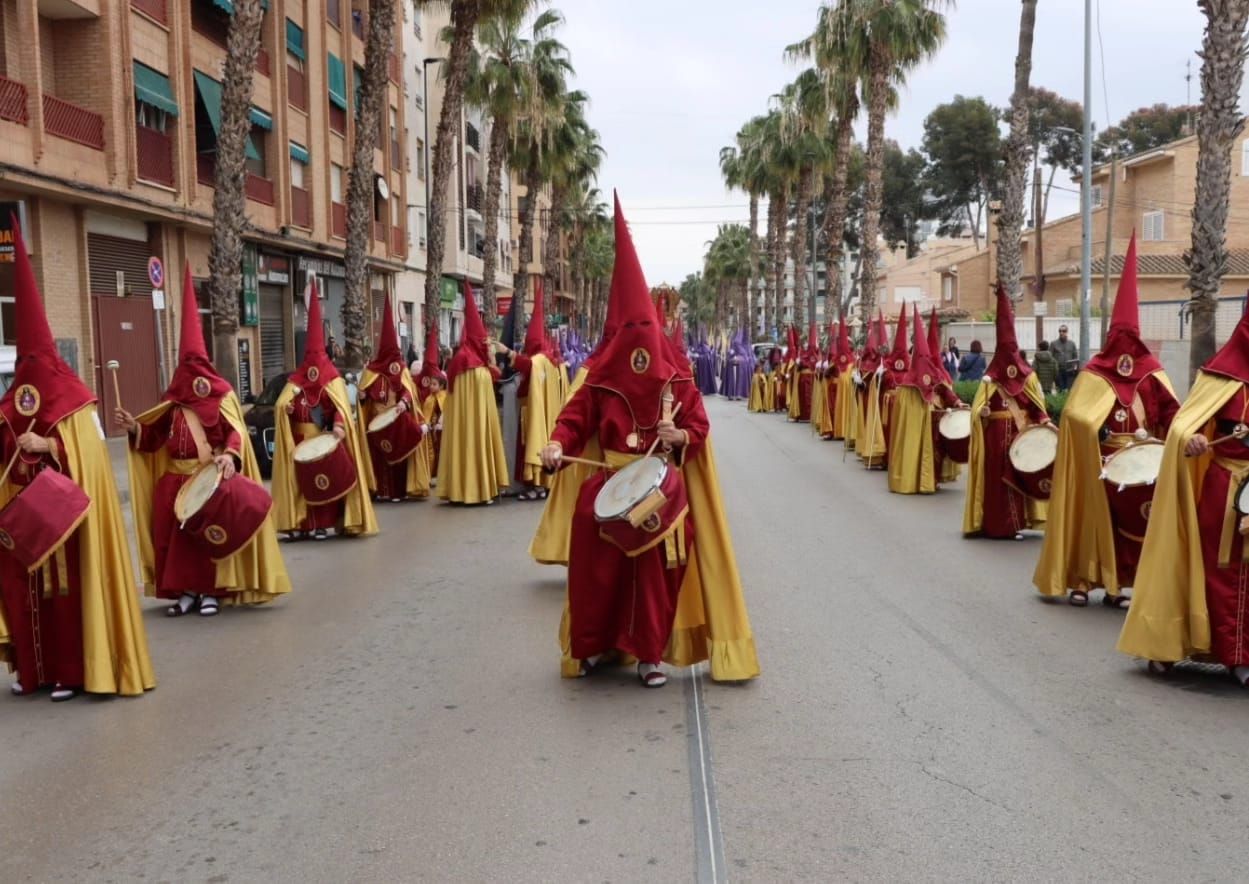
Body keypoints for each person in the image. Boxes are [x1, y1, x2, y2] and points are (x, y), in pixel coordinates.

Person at [540, 195, 759, 687]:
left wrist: (679, 434)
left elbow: (700, 426)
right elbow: (572, 421)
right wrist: (556, 444)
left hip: (660, 487)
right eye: (632, 328)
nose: (640, 341)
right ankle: (596, 645)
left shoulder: (677, 378)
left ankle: (649, 655)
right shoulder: (597, 377)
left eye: (647, 328)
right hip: (608, 482)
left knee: (656, 575)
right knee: (596, 567)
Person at [0, 219, 154, 701]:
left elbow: (90, 462)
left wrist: (51, 447)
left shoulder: (75, 402)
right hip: (25, 521)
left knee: (67, 596)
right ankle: (33, 671)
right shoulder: (9, 406)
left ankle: (71, 671)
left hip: (65, 523)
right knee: (25, 595)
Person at [120, 265, 291, 617]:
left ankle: (210, 592)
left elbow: (234, 433)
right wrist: (134, 429)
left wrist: (229, 455)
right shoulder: (172, 404)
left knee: (206, 538)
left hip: (205, 478)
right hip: (173, 482)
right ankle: (185, 593)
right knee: (175, 540)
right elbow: (152, 440)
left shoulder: (221, 395)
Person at [1036, 236, 1180, 609]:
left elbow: (1171, 415)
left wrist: (1174, 436)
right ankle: (1083, 580)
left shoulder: (1153, 375)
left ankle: (1119, 584)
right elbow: (1073, 416)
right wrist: (1092, 430)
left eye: (1131, 338)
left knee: (1130, 527)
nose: (1126, 349)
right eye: (1121, 337)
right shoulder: (1093, 373)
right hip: (1097, 462)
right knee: (1091, 521)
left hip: (1139, 462)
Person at [1116, 300, 1249, 685]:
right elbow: (1184, 426)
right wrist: (1192, 439)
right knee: (1217, 572)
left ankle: (1241, 653)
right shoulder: (1221, 378)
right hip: (1224, 488)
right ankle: (1221, 651)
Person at [271, 281, 378, 540]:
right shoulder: (295, 383)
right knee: (300, 486)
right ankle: (300, 524)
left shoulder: (332, 381)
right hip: (297, 441)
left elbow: (338, 408)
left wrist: (340, 425)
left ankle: (322, 524)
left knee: (323, 483)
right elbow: (282, 406)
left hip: (320, 439)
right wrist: (285, 410)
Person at [962, 285, 1051, 540]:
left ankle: (1018, 523)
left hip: (1020, 438)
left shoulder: (1028, 378)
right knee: (997, 484)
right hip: (994, 441)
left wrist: (1046, 422)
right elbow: (977, 411)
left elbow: (1037, 408)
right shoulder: (989, 380)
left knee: (1021, 479)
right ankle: (996, 525)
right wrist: (983, 412)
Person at [437, 281, 509, 505]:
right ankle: (481, 488)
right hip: (478, 424)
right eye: (485, 342)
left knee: (459, 443)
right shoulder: (480, 370)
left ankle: (458, 489)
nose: (487, 346)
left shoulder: (457, 362)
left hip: (460, 424)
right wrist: (490, 359)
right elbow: (497, 377)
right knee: (478, 442)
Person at [355, 294, 431, 503]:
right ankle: (380, 490)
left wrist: (402, 403)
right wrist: (362, 397)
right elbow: (365, 398)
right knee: (379, 458)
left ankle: (398, 491)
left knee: (399, 458)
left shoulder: (402, 369)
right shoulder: (372, 371)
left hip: (396, 419)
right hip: (376, 422)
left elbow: (408, 392)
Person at [887, 305, 968, 495]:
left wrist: (956, 402)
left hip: (933, 421)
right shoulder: (908, 382)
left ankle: (931, 480)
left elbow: (944, 390)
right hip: (917, 425)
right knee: (913, 449)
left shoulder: (934, 373)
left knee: (935, 452)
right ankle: (913, 480)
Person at [497, 280, 564, 502]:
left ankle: (534, 485)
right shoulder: (552, 361)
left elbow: (526, 365)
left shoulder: (539, 359)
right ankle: (542, 485)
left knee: (530, 448)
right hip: (544, 413)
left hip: (531, 412)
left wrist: (507, 352)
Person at [415, 323, 447, 480]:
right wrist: (426, 423)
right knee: (432, 450)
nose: (431, 387)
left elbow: (446, 410)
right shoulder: (428, 398)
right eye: (431, 384)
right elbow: (426, 411)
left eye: (435, 384)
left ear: (441, 385)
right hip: (432, 429)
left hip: (441, 429)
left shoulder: (444, 396)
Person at [1051, 324, 1079, 390]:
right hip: (1058, 371)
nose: (1061, 333)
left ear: (1067, 332)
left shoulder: (1072, 343)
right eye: (1060, 331)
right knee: (1060, 389)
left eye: (1063, 331)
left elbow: (1075, 357)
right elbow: (1050, 357)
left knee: (1069, 389)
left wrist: (1074, 368)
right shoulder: (1053, 344)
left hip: (1069, 371)